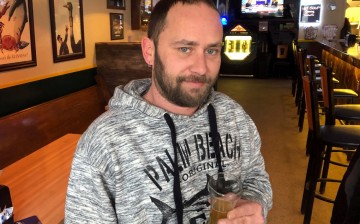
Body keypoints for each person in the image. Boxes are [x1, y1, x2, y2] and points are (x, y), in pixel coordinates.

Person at [64, 0, 272, 223]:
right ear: (149, 52)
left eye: (211, 50)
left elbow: (256, 178)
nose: (201, 67)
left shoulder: (233, 115)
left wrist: (254, 203)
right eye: (185, 49)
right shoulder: (103, 143)